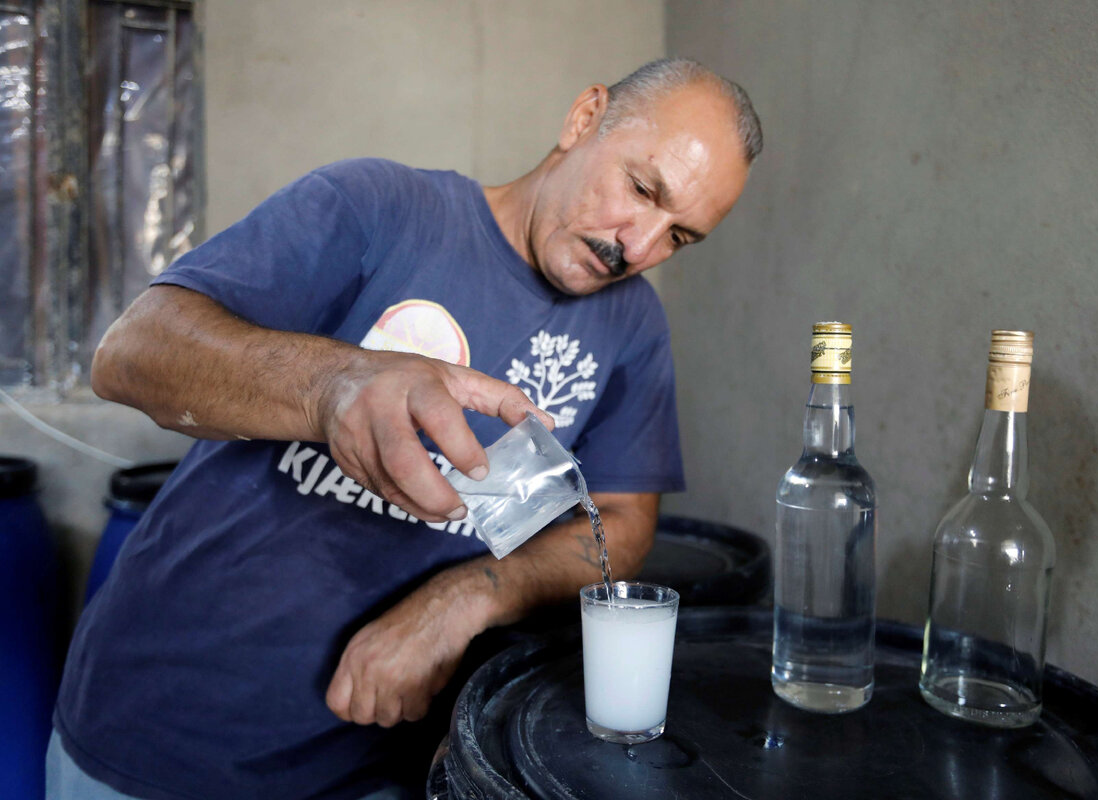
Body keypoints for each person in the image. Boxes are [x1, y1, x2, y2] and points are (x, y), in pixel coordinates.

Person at [49, 57, 762, 799]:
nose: (638, 248)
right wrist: (337, 384)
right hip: (159, 735)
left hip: (379, 761)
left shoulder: (634, 326)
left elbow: (622, 518)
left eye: (679, 236)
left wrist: (471, 596)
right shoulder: (378, 205)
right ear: (583, 119)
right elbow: (131, 354)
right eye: (642, 190)